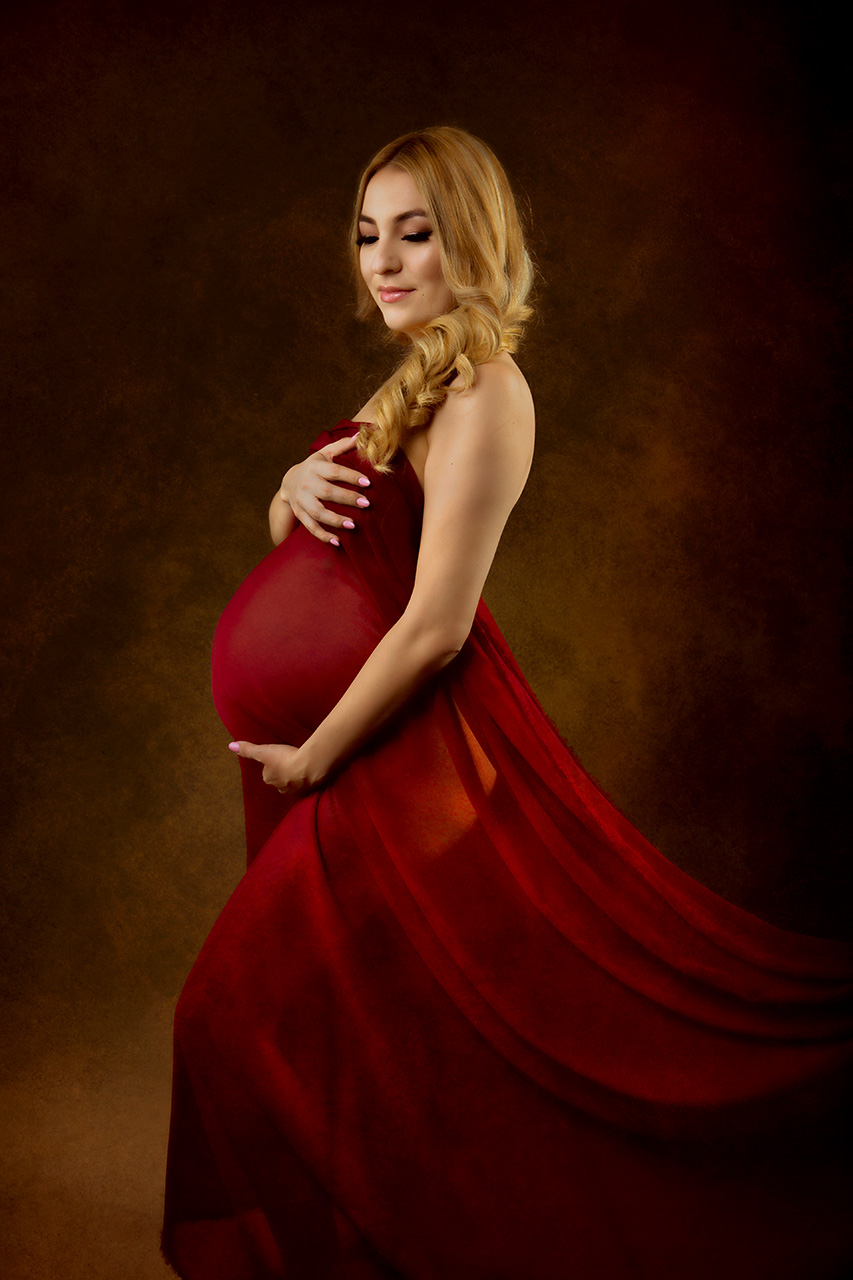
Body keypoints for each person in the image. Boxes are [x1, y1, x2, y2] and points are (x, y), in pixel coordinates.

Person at [162, 127, 853, 1280]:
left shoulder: (487, 391)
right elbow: (332, 548)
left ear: (470, 240)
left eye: (414, 233)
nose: (383, 260)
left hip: (388, 764)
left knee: (233, 1019)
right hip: (346, 764)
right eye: (368, 234)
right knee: (365, 1050)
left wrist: (315, 756)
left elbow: (435, 620)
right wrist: (284, 489)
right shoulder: (413, 380)